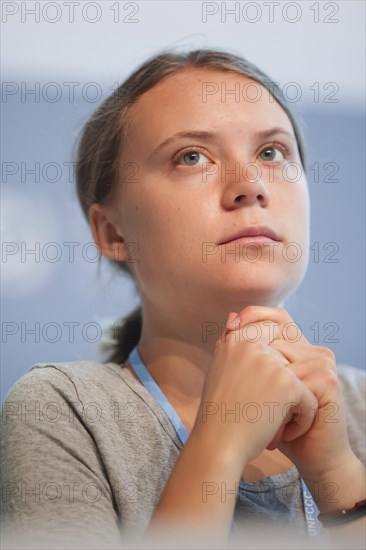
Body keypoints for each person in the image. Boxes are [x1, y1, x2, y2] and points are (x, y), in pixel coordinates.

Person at [1, 49, 365, 550]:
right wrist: (218, 445)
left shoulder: (361, 406)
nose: (250, 186)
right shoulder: (66, 411)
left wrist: (337, 473)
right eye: (191, 157)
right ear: (112, 232)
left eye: (271, 153)